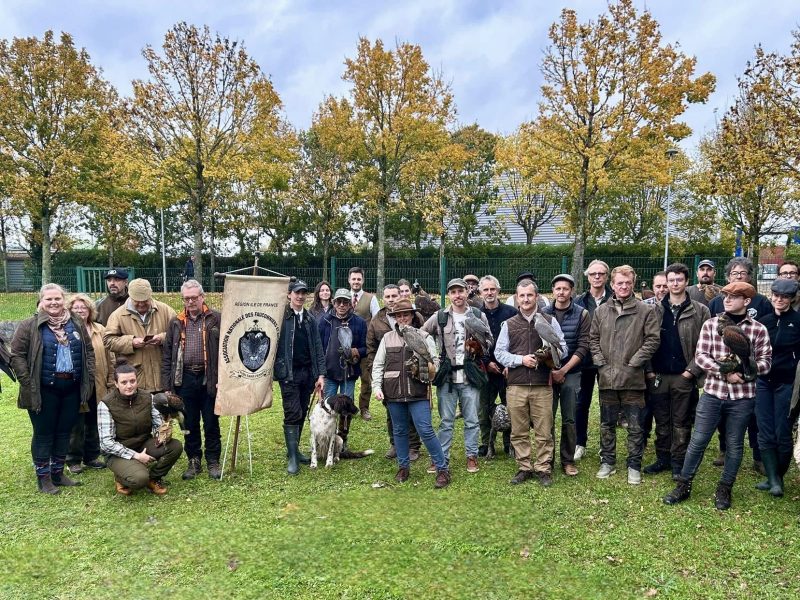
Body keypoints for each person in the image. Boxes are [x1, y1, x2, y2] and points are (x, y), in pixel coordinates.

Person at [664, 281, 772, 510]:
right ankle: (683, 484)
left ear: (747, 301)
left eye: (734, 296)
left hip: (743, 397)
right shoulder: (711, 324)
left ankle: (725, 488)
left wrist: (743, 372)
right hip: (713, 393)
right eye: (726, 295)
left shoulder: (758, 329)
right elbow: (701, 356)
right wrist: (724, 371)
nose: (728, 299)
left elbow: (766, 363)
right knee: (698, 440)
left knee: (734, 445)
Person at [10, 283, 95, 494]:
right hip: (42, 390)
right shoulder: (29, 325)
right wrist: (27, 382)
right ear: (41, 302)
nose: (54, 303)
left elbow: (89, 352)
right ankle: (44, 478)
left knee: (64, 432)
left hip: (71, 389)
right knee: (44, 434)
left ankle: (58, 473)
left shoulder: (75, 323)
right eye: (49, 299)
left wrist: (89, 377)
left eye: (57, 298)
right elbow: (16, 355)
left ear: (63, 300)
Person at [589, 265, 660, 485]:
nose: (624, 286)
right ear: (612, 285)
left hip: (633, 379)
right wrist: (600, 362)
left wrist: (635, 362)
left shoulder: (645, 311)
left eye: (628, 283)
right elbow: (593, 339)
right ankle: (608, 461)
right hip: (607, 378)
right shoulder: (601, 311)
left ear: (633, 284)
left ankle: (633, 465)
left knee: (635, 426)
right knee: (606, 424)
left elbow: (652, 340)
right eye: (619, 283)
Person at [372, 299, 451, 488]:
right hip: (394, 392)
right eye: (398, 315)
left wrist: (426, 368)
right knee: (399, 431)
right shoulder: (387, 338)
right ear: (394, 318)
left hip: (417, 391)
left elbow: (435, 363)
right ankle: (403, 467)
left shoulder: (424, 336)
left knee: (425, 430)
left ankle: (442, 469)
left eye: (406, 314)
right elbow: (378, 365)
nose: (402, 318)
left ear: (412, 315)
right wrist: (376, 387)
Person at [496, 279, 567, 486]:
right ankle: (524, 467)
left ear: (537, 297)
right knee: (518, 431)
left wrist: (549, 358)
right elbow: (499, 353)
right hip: (516, 386)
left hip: (542, 385)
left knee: (544, 431)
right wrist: (520, 360)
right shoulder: (509, 324)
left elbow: (562, 348)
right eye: (522, 296)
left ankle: (543, 468)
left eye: (529, 295)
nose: (526, 299)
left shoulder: (549, 320)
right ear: (517, 298)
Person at [643, 263, 710, 479]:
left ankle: (678, 461)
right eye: (671, 280)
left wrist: (690, 372)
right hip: (659, 376)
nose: (674, 284)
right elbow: (643, 342)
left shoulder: (700, 311)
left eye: (679, 279)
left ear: (686, 282)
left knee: (681, 421)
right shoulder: (653, 310)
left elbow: (705, 345)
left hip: (685, 375)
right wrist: (650, 372)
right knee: (662, 420)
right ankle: (663, 458)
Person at [707, 257, 771, 472]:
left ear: (749, 277)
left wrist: (750, 368)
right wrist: (722, 369)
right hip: (722, 374)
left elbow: (766, 331)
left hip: (750, 374)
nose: (738, 276)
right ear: (728, 277)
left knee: (753, 417)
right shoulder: (717, 302)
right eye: (734, 274)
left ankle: (758, 455)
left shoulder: (761, 302)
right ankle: (724, 450)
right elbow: (712, 337)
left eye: (742, 273)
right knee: (723, 417)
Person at [422, 278, 491, 474]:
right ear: (449, 295)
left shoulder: (478, 315)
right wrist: (432, 358)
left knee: (471, 419)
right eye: (453, 292)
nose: (457, 295)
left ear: (467, 291)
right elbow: (422, 335)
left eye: (460, 291)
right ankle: (440, 458)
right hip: (447, 376)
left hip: (471, 374)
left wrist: (480, 347)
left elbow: (489, 341)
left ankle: (472, 456)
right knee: (446, 421)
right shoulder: (439, 316)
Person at [161, 280, 222, 481]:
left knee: (211, 421)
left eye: (194, 298)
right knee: (188, 423)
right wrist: (168, 386)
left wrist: (224, 379)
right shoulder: (176, 322)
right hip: (184, 379)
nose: (190, 302)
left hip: (209, 379)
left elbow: (225, 351)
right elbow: (167, 355)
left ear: (202, 297)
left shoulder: (216, 319)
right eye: (186, 298)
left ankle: (213, 460)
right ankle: (194, 460)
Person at [98, 363, 182, 496]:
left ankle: (153, 478)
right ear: (116, 383)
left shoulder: (149, 398)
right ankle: (121, 478)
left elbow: (156, 425)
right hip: (117, 453)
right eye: (124, 382)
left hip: (143, 443)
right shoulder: (106, 404)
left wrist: (163, 432)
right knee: (139, 479)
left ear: (137, 380)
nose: (129, 385)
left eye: (132, 381)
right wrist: (136, 456)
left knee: (175, 446)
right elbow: (106, 443)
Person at [367, 284, 426, 460]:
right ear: (382, 298)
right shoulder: (376, 320)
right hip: (388, 375)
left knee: (412, 411)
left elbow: (423, 341)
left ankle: (414, 446)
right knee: (392, 412)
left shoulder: (415, 316)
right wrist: (375, 373)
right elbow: (371, 348)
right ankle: (395, 444)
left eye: (394, 295)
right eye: (388, 296)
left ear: (399, 295)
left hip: (411, 372)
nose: (391, 299)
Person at [754, 278, 800, 497]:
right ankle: (772, 479)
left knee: (782, 431)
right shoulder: (763, 321)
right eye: (776, 296)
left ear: (792, 298)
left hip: (787, 383)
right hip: (763, 382)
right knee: (765, 430)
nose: (779, 300)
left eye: (784, 297)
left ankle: (777, 477)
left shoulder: (798, 322)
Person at [274, 279, 326, 475]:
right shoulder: (281, 317)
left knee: (302, 411)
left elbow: (318, 348)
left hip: (307, 373)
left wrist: (320, 373)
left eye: (303, 293)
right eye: (297, 292)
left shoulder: (311, 319)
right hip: (288, 372)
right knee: (292, 412)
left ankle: (294, 450)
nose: (300, 296)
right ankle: (293, 456)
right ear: (289, 294)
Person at [543, 274, 590, 477]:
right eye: (558, 288)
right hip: (548, 373)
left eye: (566, 289)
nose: (561, 292)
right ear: (553, 290)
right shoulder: (543, 313)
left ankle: (568, 460)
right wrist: (552, 369)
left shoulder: (582, 314)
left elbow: (583, 346)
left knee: (569, 418)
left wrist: (564, 370)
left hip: (571, 372)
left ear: (572, 291)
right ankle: (548, 459)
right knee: (547, 418)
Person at [65, 293, 115, 474]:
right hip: (76, 385)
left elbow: (110, 357)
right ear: (69, 311)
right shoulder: (65, 330)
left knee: (95, 420)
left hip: (99, 382)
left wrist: (111, 380)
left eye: (83, 307)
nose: (80, 310)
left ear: (90, 310)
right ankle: (73, 459)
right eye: (75, 308)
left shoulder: (100, 329)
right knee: (76, 423)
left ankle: (92, 456)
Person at [103, 278, 176, 392]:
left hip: (164, 377)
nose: (141, 304)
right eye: (137, 300)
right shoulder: (117, 315)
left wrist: (162, 338)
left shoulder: (166, 311)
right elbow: (108, 340)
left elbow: (178, 333)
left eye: (145, 300)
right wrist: (131, 342)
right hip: (134, 380)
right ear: (130, 296)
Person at [574, 259, 613, 460]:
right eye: (593, 274)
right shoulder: (578, 301)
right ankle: (579, 443)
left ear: (607, 277)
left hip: (608, 361)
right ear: (587, 276)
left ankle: (605, 447)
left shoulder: (615, 299)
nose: (597, 277)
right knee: (582, 403)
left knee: (607, 403)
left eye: (601, 273)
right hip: (584, 361)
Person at [319, 289, 367, 451]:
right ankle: (326, 440)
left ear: (350, 304)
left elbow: (366, 348)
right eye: (338, 301)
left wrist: (356, 352)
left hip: (349, 373)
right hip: (329, 372)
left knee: (346, 410)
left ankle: (342, 440)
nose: (341, 305)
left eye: (345, 302)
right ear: (333, 302)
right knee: (327, 409)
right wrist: (319, 372)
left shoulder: (359, 323)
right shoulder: (324, 321)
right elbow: (319, 347)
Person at [478, 275, 517, 457]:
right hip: (485, 371)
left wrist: (509, 363)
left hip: (508, 370)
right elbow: (474, 344)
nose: (489, 293)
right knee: (484, 408)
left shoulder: (510, 313)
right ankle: (486, 443)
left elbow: (517, 341)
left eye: (492, 289)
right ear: (480, 292)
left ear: (498, 291)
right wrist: (487, 363)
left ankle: (510, 444)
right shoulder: (477, 314)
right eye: (485, 289)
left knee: (510, 407)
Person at [349, 267, 379, 421]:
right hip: (346, 348)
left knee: (366, 379)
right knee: (346, 379)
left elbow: (377, 319)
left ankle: (364, 408)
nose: (356, 282)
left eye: (358, 279)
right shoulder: (342, 297)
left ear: (363, 280)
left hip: (365, 347)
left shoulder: (371, 298)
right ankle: (347, 407)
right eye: (353, 279)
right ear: (349, 280)